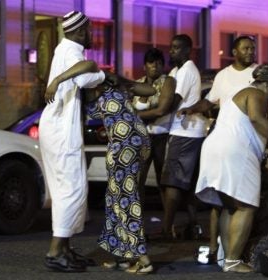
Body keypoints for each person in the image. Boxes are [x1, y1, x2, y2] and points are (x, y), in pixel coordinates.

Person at [46, 60, 159, 274]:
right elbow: (149, 89)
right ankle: (122, 256)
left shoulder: (100, 90)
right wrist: (122, 81)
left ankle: (143, 259)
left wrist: (59, 79)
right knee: (115, 197)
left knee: (125, 198)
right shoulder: (116, 89)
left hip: (123, 145)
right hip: (137, 141)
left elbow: (88, 65)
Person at [194, 64, 268, 273]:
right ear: (266, 84)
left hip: (215, 148)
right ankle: (233, 261)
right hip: (235, 152)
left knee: (231, 206)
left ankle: (227, 259)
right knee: (247, 206)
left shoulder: (238, 95)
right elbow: (256, 119)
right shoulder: (255, 93)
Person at [39, 11, 107, 273]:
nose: (92, 34)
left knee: (64, 189)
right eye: (90, 30)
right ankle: (55, 251)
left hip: (54, 128)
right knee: (72, 189)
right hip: (61, 131)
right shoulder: (73, 52)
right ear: (80, 31)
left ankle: (65, 248)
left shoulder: (64, 48)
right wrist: (99, 72)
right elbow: (86, 76)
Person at [180, 35, 258, 259]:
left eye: (253, 48)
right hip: (227, 141)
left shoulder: (258, 72)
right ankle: (222, 252)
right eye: (245, 48)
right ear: (234, 51)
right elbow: (210, 100)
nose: (250, 52)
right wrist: (192, 109)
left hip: (248, 142)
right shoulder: (223, 75)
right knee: (224, 201)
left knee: (242, 200)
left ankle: (235, 253)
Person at [158, 34, 207, 238]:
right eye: (171, 47)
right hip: (186, 131)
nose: (172, 51)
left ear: (188, 50)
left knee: (173, 182)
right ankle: (193, 226)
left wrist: (152, 112)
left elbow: (172, 102)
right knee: (186, 184)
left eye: (177, 48)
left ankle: (167, 229)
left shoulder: (186, 70)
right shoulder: (177, 70)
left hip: (184, 132)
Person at [132, 48, 176, 209]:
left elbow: (162, 109)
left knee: (162, 181)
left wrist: (138, 115)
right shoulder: (138, 82)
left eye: (159, 63)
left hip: (161, 135)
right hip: (141, 137)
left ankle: (167, 227)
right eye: (151, 62)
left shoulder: (167, 82)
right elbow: (130, 108)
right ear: (145, 65)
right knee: (138, 180)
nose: (155, 66)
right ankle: (138, 225)